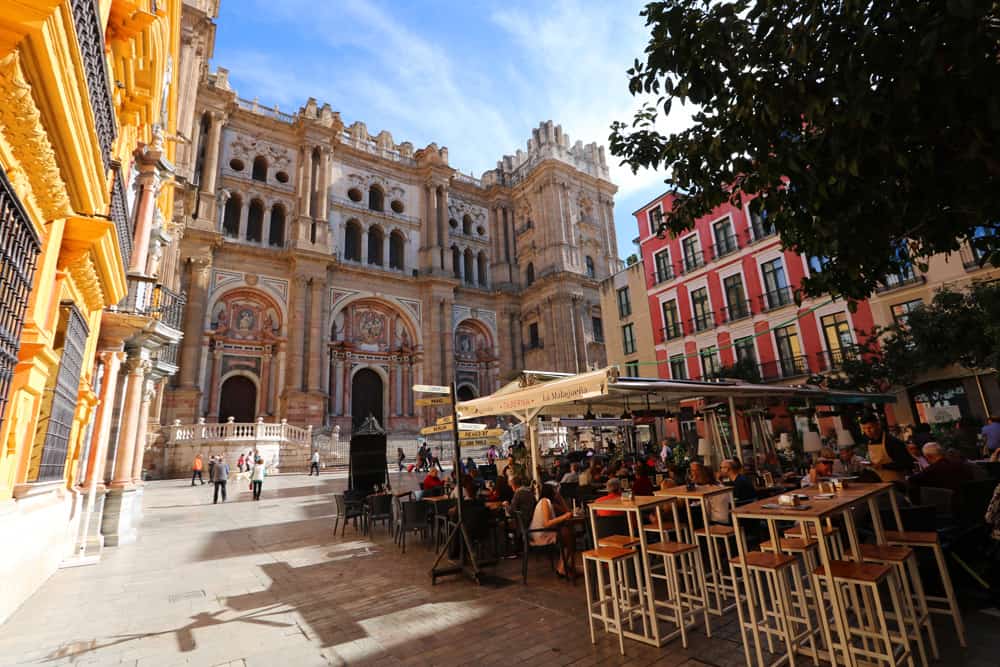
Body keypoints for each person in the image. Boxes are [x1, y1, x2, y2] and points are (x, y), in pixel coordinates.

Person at [529, 483, 576, 577]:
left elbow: (567, 512)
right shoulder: (544, 502)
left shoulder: (549, 502)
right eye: (555, 490)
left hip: (543, 532)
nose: (557, 492)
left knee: (568, 533)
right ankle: (562, 567)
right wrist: (564, 517)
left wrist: (561, 499)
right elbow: (547, 523)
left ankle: (563, 566)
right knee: (569, 535)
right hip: (540, 534)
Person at [907, 442, 974, 498]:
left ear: (928, 456)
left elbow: (911, 481)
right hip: (967, 502)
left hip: (945, 507)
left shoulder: (931, 470)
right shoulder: (961, 465)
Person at [860, 414, 913, 481]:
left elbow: (906, 463)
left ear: (878, 425)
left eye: (870, 428)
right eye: (864, 428)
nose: (868, 431)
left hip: (896, 483)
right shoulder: (869, 442)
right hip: (879, 482)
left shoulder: (892, 442)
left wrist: (883, 466)